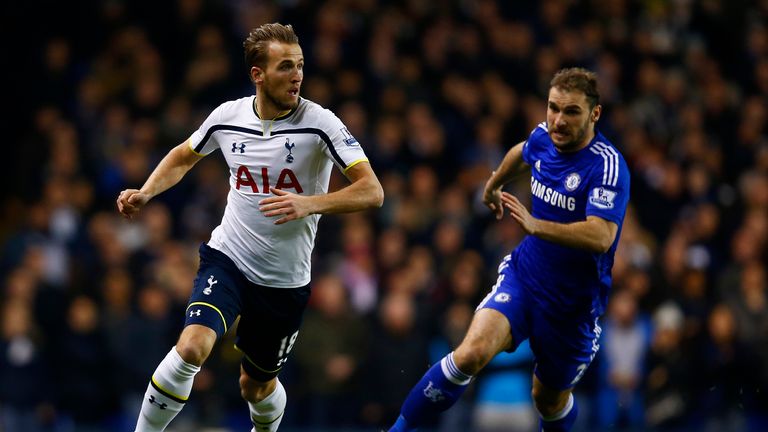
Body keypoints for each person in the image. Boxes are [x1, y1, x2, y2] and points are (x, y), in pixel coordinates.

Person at [116, 23, 383, 432]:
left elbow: (372, 191)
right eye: (285, 67)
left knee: (255, 387)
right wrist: (146, 192)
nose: (297, 76)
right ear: (257, 74)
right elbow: (184, 155)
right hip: (229, 257)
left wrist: (308, 204)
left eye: (300, 66)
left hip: (283, 282)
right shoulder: (228, 116)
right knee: (191, 347)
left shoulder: (320, 123)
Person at [389, 67, 630, 432]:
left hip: (573, 306)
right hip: (526, 276)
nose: (558, 121)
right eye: (553, 108)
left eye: (571, 112)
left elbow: (601, 236)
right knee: (470, 354)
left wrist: (537, 226)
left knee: (547, 400)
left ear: (595, 113)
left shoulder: (607, 167)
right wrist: (494, 182)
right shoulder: (545, 137)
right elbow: (523, 151)